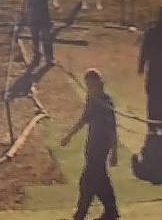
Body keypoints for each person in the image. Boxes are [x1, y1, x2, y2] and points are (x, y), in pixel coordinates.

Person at [61, 68, 120, 220]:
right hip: (92, 145)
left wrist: (114, 152)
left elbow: (112, 129)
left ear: (98, 84)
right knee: (100, 180)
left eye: (90, 85)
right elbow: (84, 118)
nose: (89, 88)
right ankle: (111, 211)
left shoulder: (106, 103)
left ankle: (81, 214)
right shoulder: (92, 99)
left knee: (87, 181)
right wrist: (69, 136)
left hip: (101, 148)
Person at [138, 8, 162, 135]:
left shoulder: (152, 32)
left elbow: (144, 50)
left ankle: (153, 124)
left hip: (155, 68)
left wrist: (141, 65)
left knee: (154, 97)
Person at [20, 0, 54, 64]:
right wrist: (24, 13)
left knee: (46, 37)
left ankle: (49, 57)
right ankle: (36, 57)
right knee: (35, 37)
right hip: (33, 14)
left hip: (43, 14)